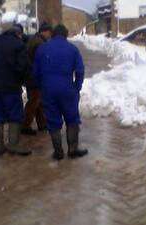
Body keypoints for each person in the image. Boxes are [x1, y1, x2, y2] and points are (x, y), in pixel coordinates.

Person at [33, 24, 88, 160]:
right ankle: (73, 150)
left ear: (52, 34)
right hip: (67, 89)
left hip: (48, 90)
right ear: (66, 34)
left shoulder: (42, 49)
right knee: (72, 119)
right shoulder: (72, 49)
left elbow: (35, 73)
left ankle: (58, 152)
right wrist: (77, 86)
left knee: (53, 121)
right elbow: (80, 71)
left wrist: (42, 87)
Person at [0, 26, 31, 156]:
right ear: (17, 34)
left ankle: (0, 146)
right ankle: (13, 145)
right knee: (15, 115)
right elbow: (23, 67)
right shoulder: (18, 45)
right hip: (10, 87)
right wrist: (22, 81)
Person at [21, 23, 53, 135]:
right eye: (50, 33)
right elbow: (41, 61)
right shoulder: (39, 43)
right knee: (34, 101)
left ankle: (42, 124)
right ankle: (25, 125)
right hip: (34, 77)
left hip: (31, 76)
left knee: (38, 101)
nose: (50, 35)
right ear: (45, 31)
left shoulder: (35, 40)